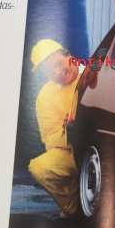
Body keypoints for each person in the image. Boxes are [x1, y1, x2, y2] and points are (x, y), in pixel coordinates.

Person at [27, 38, 82, 218]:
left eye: (58, 64)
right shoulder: (44, 97)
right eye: (50, 71)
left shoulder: (95, 74)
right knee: (39, 167)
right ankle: (73, 208)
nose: (58, 72)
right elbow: (51, 140)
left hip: (105, 144)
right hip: (71, 153)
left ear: (69, 56)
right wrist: (69, 131)